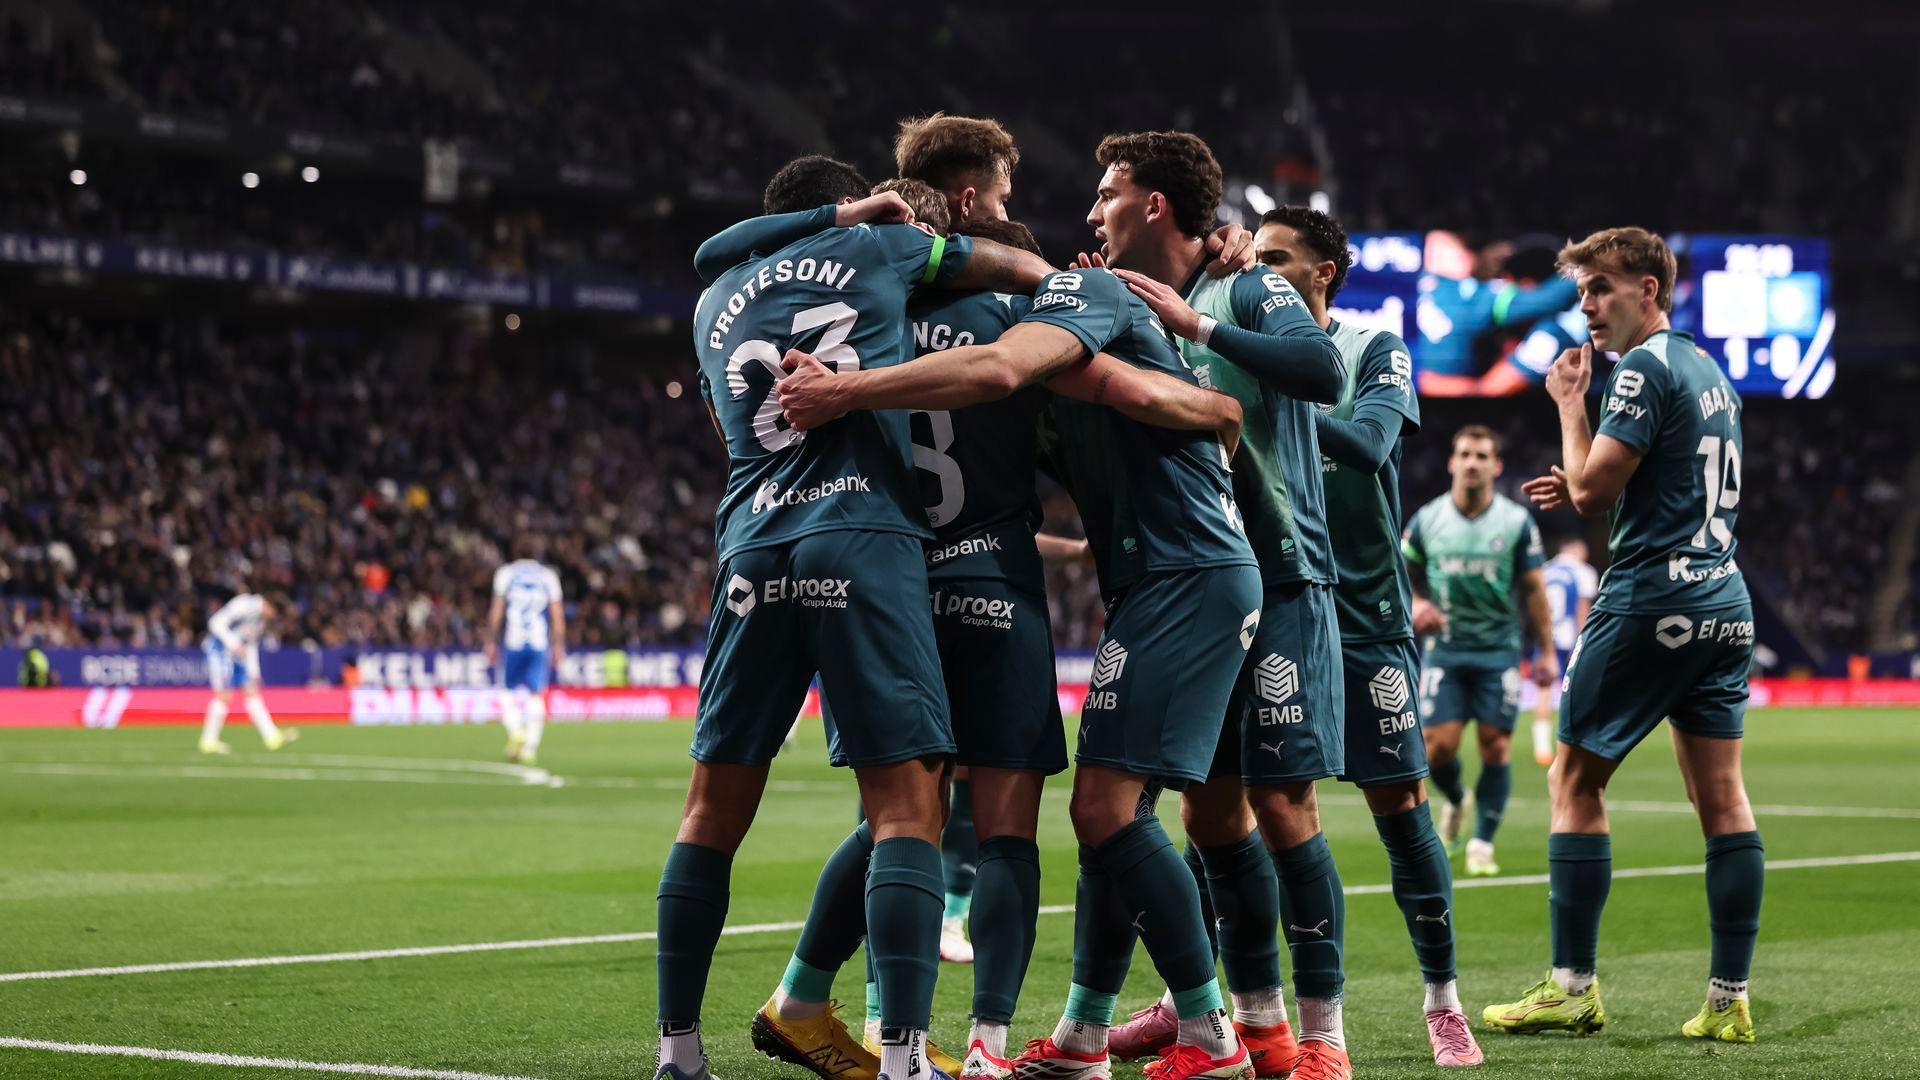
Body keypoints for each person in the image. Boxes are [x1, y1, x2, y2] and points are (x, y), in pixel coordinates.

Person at [779, 234, 1264, 1080]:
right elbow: (1105, 385)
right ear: (968, 208)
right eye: (1003, 200)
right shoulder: (1023, 319)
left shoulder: (857, 322)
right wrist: (1220, 409)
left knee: (899, 819)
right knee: (1027, 825)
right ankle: (994, 1046)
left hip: (893, 582)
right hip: (1002, 583)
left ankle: (841, 1011)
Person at [655, 155, 1053, 1080]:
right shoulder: (881, 247)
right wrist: (1059, 281)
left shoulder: (715, 300)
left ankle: (677, 1048)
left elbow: (726, 413)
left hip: (752, 547)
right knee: (909, 808)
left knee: (710, 810)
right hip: (861, 536)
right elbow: (998, 264)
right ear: (849, 207)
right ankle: (907, 1057)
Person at [1097, 132, 1360, 1080]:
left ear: (1159, 204)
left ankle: (1329, 1038)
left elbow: (1325, 374)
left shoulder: (1245, 284)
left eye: (1108, 192)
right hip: (1205, 583)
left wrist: (1199, 324)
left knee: (1285, 807)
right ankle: (1262, 1029)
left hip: (1285, 573)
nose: (1095, 209)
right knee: (1212, 819)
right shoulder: (1158, 299)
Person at [1225, 205, 1485, 1066]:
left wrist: (1260, 396)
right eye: (1252, 256)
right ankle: (1214, 1003)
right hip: (1272, 595)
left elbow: (1372, 443)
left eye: (1277, 258)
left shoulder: (1374, 346)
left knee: (1399, 805)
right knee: (1226, 808)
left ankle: (1444, 1001)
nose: (1259, 270)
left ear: (1322, 271)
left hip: (1365, 609)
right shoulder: (1235, 330)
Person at [1489, 227, 1761, 1045]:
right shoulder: (1711, 370)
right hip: (1725, 598)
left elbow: (1592, 492)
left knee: (1574, 780)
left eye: (1601, 288)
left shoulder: (1641, 367)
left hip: (1650, 600)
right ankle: (1728, 1000)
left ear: (1650, 288)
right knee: (1723, 800)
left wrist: (1571, 407)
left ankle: (1572, 987)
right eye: (1580, 293)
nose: (1587, 308)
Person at [1402, 427, 1556, 878]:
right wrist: (1416, 603)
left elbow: (1534, 590)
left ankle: (1482, 843)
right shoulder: (1428, 520)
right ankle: (1456, 799)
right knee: (1437, 751)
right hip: (1445, 650)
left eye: (1482, 455)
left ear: (1495, 466)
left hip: (1498, 651)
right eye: (1465, 454)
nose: (1472, 462)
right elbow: (1399, 571)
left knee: (1496, 746)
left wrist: (1546, 651)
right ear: (1452, 462)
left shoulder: (1515, 522)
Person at [485, 546, 565, 765]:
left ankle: (516, 730)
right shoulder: (548, 576)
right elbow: (557, 615)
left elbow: (496, 611)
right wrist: (559, 644)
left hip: (514, 642)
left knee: (506, 692)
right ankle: (530, 748)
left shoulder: (506, 574)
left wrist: (490, 640)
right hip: (539, 643)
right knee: (536, 694)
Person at [198, 591, 294, 754]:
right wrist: (233, 642)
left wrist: (255, 671)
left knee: (252, 691)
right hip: (219, 651)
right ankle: (208, 741)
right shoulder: (245, 604)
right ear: (269, 605)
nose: (272, 617)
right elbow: (215, 622)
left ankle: (272, 737)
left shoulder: (260, 620)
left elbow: (251, 644)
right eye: (274, 613)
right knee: (223, 696)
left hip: (238, 655)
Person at [1531, 537, 1597, 766]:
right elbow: (1582, 609)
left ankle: (1541, 748)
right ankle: (1577, 745)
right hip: (1570, 639)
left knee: (1544, 691)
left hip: (1545, 638)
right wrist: (1584, 639)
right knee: (1579, 689)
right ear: (1579, 549)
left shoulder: (1545, 569)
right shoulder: (1583, 572)